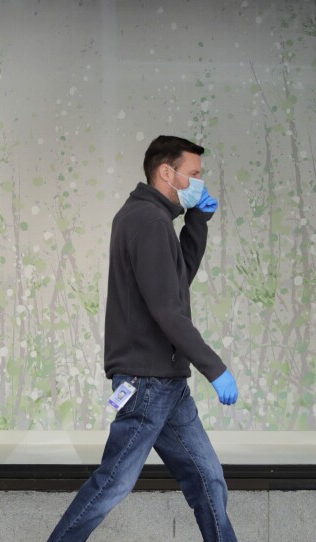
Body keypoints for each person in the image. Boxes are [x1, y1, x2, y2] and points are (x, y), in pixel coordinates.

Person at [47, 135, 239, 541]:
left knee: (208, 481)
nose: (200, 183)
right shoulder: (148, 221)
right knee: (112, 483)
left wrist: (197, 222)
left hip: (164, 381)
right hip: (147, 382)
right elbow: (168, 310)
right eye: (195, 175)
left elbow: (176, 281)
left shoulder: (150, 218)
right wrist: (215, 368)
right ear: (167, 173)